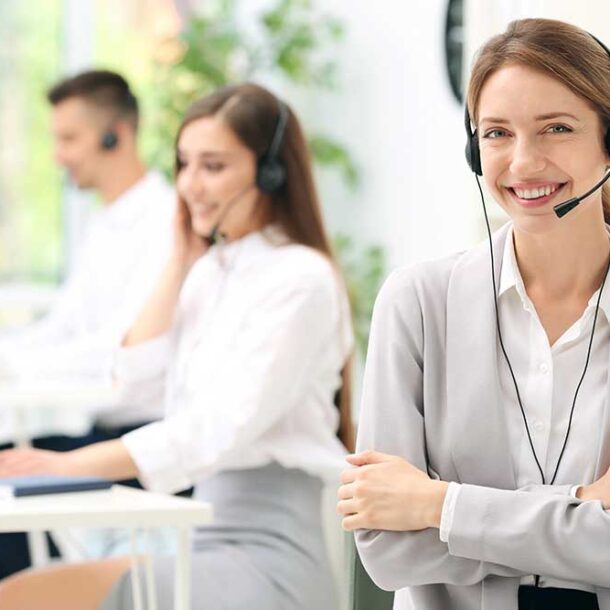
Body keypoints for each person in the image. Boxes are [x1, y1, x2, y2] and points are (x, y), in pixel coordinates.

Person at [0, 82, 354, 610]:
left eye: (213, 166)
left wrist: (71, 465)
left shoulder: (300, 278)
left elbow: (218, 428)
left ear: (270, 171)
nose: (189, 184)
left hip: (268, 554)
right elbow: (135, 382)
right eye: (184, 164)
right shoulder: (211, 272)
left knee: (23, 597)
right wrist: (178, 263)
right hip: (202, 533)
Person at [337, 18, 610, 610]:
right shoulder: (418, 303)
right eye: (496, 134)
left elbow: (414, 523)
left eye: (556, 128)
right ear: (473, 149)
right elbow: (387, 548)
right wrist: (581, 508)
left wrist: (438, 506)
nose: (524, 162)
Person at [0, 70, 175, 578]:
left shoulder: (163, 223)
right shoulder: (103, 224)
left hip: (136, 437)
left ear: (115, 135)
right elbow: (63, 328)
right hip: (94, 427)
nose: (58, 155)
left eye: (68, 139)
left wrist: (13, 364)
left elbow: (116, 350)